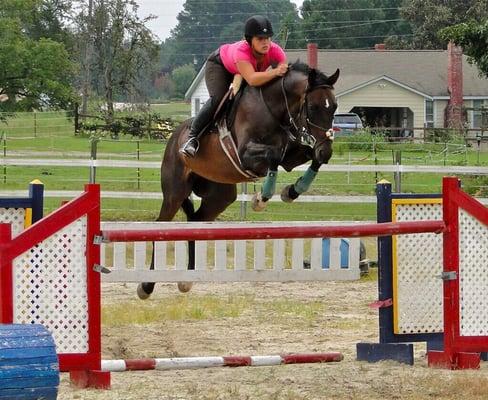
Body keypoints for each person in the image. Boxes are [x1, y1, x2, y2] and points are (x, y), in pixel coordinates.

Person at [180, 15, 288, 157]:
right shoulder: (242, 51)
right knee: (218, 98)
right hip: (220, 66)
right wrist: (275, 72)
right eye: (260, 39)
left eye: (268, 38)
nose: (265, 42)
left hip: (244, 71)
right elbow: (252, 80)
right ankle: (192, 138)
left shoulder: (276, 51)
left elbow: (282, 76)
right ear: (250, 41)